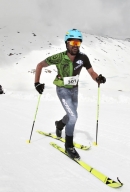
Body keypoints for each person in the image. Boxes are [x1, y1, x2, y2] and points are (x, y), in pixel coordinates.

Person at [34, 29, 106, 159]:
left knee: (71, 114)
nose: (75, 45)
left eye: (78, 43)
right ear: (66, 43)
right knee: (73, 117)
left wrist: (97, 78)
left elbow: (91, 72)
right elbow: (39, 65)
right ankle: (69, 146)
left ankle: (60, 124)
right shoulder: (59, 57)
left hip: (74, 90)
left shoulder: (83, 58)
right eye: (72, 42)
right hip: (62, 89)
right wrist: (37, 83)